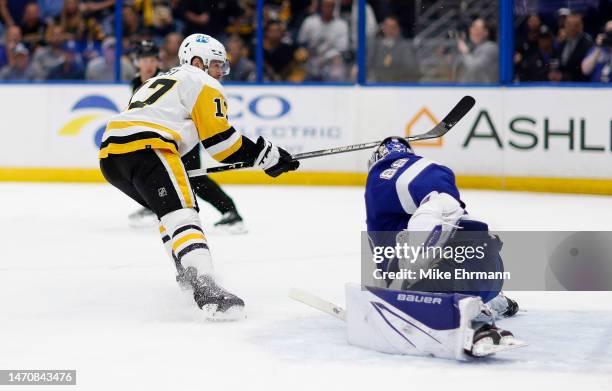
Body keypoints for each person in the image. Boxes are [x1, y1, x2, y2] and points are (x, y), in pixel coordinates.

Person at [99, 33, 299, 320]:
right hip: (148, 146)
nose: (220, 71)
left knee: (168, 214)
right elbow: (222, 144)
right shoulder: (202, 81)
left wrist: (262, 156)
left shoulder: (163, 79)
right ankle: (205, 285)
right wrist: (265, 154)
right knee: (182, 213)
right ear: (197, 62)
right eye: (216, 64)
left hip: (112, 156)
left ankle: (186, 271)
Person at [359, 137, 519, 357]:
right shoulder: (427, 173)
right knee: (447, 218)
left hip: (447, 274)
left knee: (416, 266)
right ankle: (491, 304)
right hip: (490, 269)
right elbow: (438, 189)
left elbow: (431, 195)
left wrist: (390, 292)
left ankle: (473, 319)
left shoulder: (380, 176)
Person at [128, 40, 248, 233]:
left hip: (183, 135)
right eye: (144, 60)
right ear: (136, 63)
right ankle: (155, 207)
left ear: (159, 62)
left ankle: (230, 211)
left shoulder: (168, 79)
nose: (148, 64)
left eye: (152, 59)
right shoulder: (136, 83)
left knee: (194, 178)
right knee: (157, 173)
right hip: (164, 137)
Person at [366, 15, 420, 82]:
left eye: (392, 27)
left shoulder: (405, 46)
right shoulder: (375, 45)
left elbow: (410, 68)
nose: (389, 30)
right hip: (378, 85)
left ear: (397, 29)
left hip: (398, 85)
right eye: (386, 26)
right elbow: (367, 64)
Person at [453, 18, 499, 83]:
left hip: (485, 91)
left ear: (486, 32)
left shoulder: (490, 47)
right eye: (472, 27)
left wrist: (465, 52)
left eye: (476, 28)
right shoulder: (476, 48)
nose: (472, 30)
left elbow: (475, 68)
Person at [558, 13, 592, 82]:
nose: (572, 28)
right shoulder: (562, 42)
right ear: (565, 26)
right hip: (562, 84)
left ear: (581, 26)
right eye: (569, 25)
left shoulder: (588, 44)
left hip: (580, 84)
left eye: (576, 25)